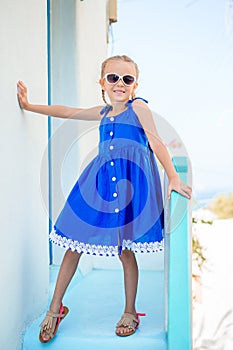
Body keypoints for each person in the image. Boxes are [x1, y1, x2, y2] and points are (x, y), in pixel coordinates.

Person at [17, 55, 192, 343]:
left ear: (135, 85)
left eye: (127, 79)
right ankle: (54, 308)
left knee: (125, 250)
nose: (120, 84)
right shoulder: (103, 112)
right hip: (96, 187)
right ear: (102, 83)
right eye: (113, 78)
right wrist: (29, 105)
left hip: (128, 189)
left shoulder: (139, 108)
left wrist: (172, 176)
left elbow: (156, 141)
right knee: (74, 244)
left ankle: (130, 311)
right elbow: (66, 111)